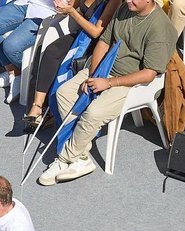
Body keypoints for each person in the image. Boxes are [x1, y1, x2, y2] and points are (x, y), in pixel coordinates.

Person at [37, 0, 177, 186]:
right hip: (104, 70)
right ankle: (81, 155)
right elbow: (103, 42)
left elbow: (149, 74)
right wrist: (93, 76)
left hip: (130, 83)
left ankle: (65, 158)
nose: (128, 0)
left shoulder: (160, 28)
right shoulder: (124, 9)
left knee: (93, 113)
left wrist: (109, 82)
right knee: (63, 93)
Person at [19, 0, 120, 132]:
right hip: (80, 36)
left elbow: (96, 32)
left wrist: (72, 12)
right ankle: (37, 106)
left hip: (97, 45)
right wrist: (63, 6)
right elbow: (72, 6)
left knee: (54, 54)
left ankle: (45, 109)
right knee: (47, 51)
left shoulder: (114, 1)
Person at [0, 0, 57, 104]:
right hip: (25, 3)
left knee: (11, 46)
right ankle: (14, 72)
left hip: (49, 13)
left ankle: (27, 75)